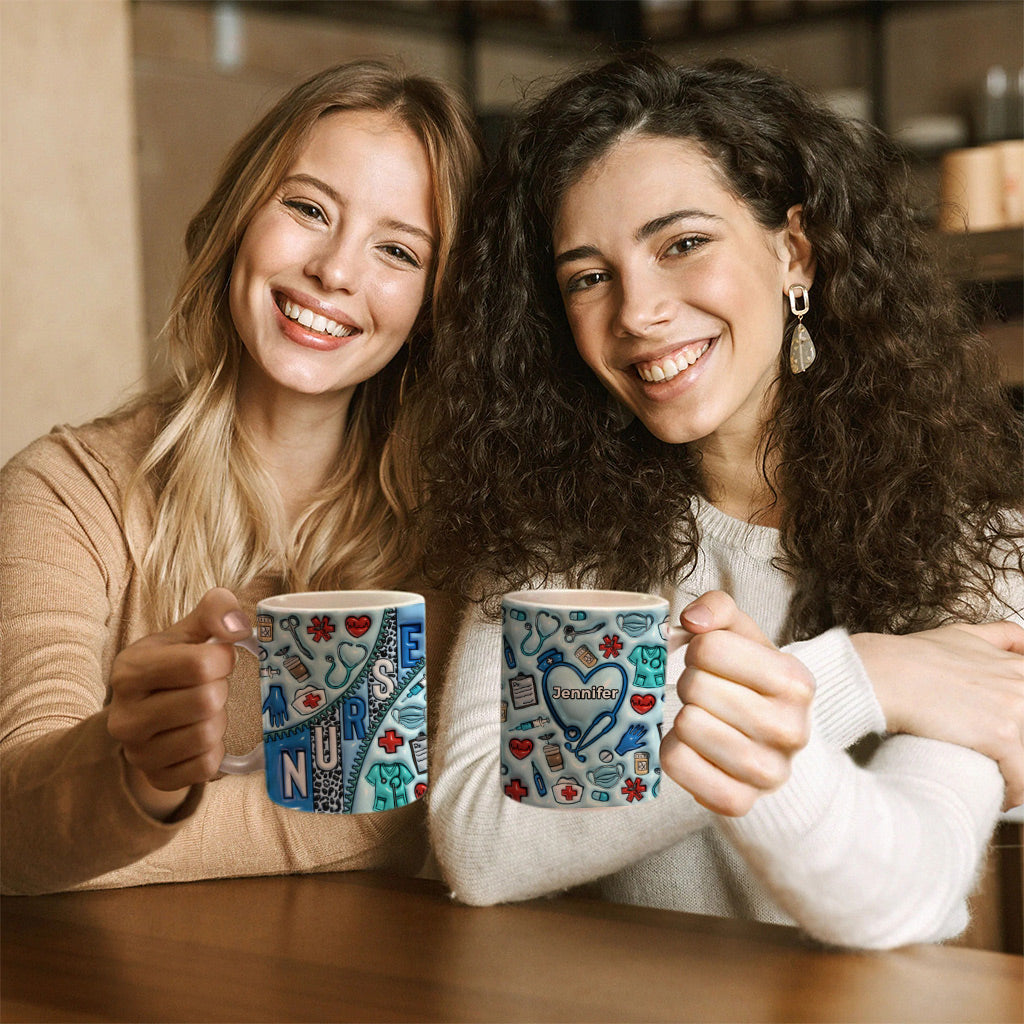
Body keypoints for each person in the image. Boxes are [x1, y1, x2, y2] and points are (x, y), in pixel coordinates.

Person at [414, 53, 1024, 949]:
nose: (637, 311)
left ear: (794, 252)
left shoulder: (978, 544)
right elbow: (480, 845)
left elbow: (900, 892)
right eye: (588, 276)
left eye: (682, 244)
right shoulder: (549, 540)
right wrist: (858, 676)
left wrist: (778, 694)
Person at [0, 60, 482, 895]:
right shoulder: (65, 492)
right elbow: (16, 824)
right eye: (307, 209)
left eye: (397, 250)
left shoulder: (457, 532)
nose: (335, 270)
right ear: (237, 220)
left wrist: (120, 833)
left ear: (434, 304)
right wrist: (138, 776)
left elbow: (413, 808)